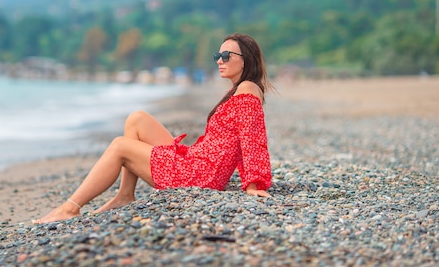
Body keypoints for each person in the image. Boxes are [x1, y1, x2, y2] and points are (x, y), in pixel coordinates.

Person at [34, 33, 272, 224]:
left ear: (246, 59)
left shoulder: (248, 88)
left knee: (119, 146)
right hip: (198, 161)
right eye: (217, 55)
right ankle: (125, 195)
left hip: (201, 175)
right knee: (137, 119)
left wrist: (254, 184)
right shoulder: (238, 89)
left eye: (226, 55)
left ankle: (70, 208)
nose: (220, 60)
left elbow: (252, 138)